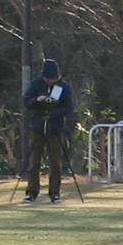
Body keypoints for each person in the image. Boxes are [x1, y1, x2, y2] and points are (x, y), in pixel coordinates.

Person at [22, 58, 74, 204]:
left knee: (55, 163)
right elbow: (27, 102)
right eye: (48, 79)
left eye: (53, 79)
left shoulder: (63, 86)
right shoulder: (36, 85)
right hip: (37, 128)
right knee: (34, 162)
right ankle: (31, 192)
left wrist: (53, 115)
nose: (50, 81)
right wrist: (37, 100)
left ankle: (55, 193)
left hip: (55, 129)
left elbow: (69, 107)